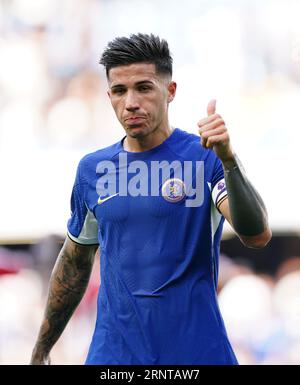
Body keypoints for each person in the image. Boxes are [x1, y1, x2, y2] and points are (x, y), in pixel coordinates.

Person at [30, 33, 272, 365]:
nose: (130, 102)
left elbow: (256, 234)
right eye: (119, 90)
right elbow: (74, 262)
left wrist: (229, 161)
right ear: (109, 95)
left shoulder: (203, 158)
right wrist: (43, 347)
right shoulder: (93, 170)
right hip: (114, 360)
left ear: (169, 91)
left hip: (196, 356)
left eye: (143, 88)